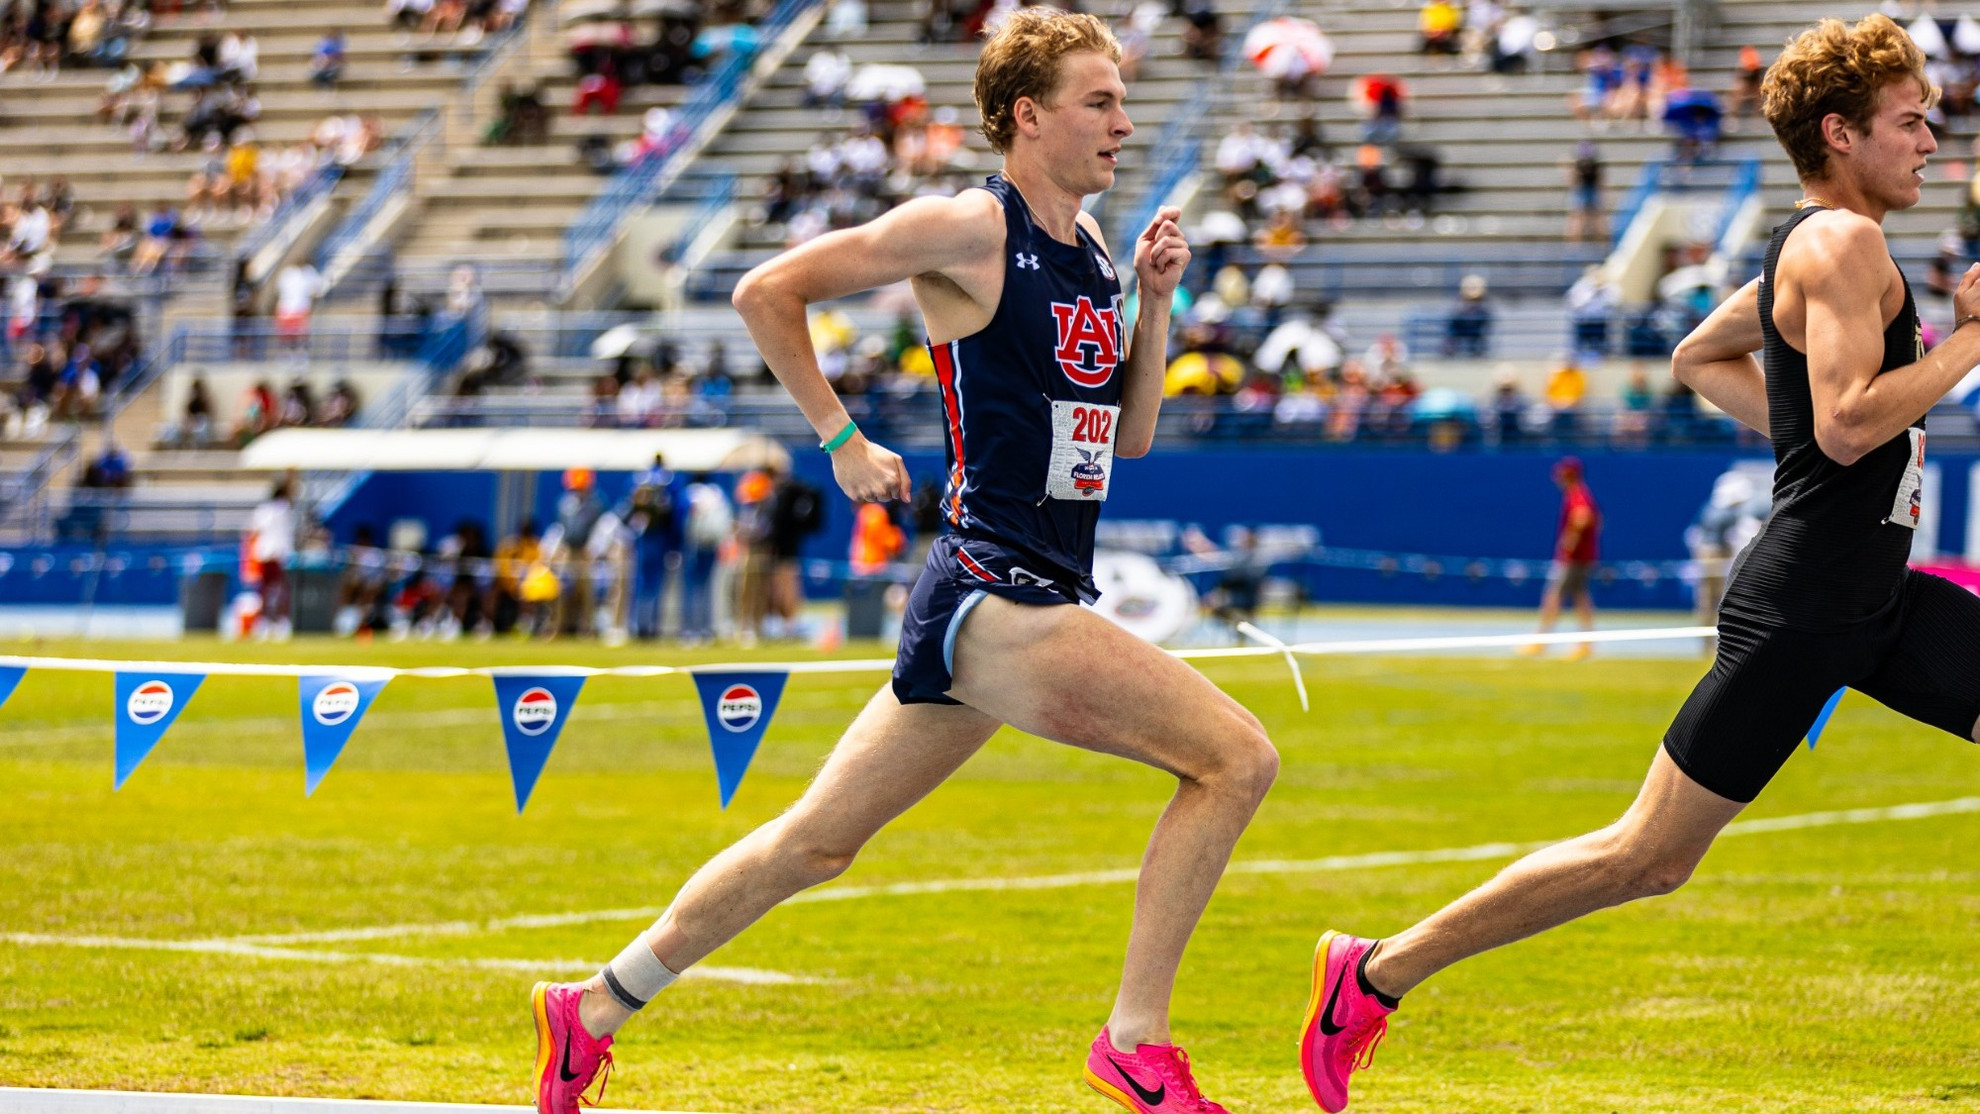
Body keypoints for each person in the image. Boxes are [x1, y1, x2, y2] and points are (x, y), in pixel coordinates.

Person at [528, 11, 1276, 1114]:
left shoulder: (1096, 249)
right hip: (997, 589)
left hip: (1014, 591)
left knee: (815, 845)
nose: (1125, 122)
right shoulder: (968, 226)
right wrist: (840, 438)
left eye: (1122, 100)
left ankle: (590, 1008)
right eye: (1099, 101)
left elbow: (1133, 435)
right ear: (1029, 115)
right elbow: (764, 291)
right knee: (1235, 760)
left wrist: (1155, 304)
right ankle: (1136, 1038)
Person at [1300, 16, 1980, 1111]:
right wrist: (1967, 342)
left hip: (1874, 594)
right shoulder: (1840, 245)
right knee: (1648, 857)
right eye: (1910, 122)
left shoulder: (1817, 246)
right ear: (1841, 132)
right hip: (1808, 607)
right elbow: (1852, 424)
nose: (1932, 143)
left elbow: (1699, 358)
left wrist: (1807, 446)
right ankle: (1372, 973)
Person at [1516, 456, 1599, 658]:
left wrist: (1569, 542)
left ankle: (1541, 641)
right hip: (1583, 557)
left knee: (1553, 597)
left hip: (1574, 559)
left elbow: (1583, 517)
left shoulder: (1577, 495)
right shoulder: (1580, 494)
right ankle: (1585, 643)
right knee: (1581, 598)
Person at [245, 476, 296, 640]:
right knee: (279, 590)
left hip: (267, 553)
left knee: (266, 591)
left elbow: (254, 531)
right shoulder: (283, 509)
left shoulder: (263, 510)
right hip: (277, 553)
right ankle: (277, 623)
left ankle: (268, 623)